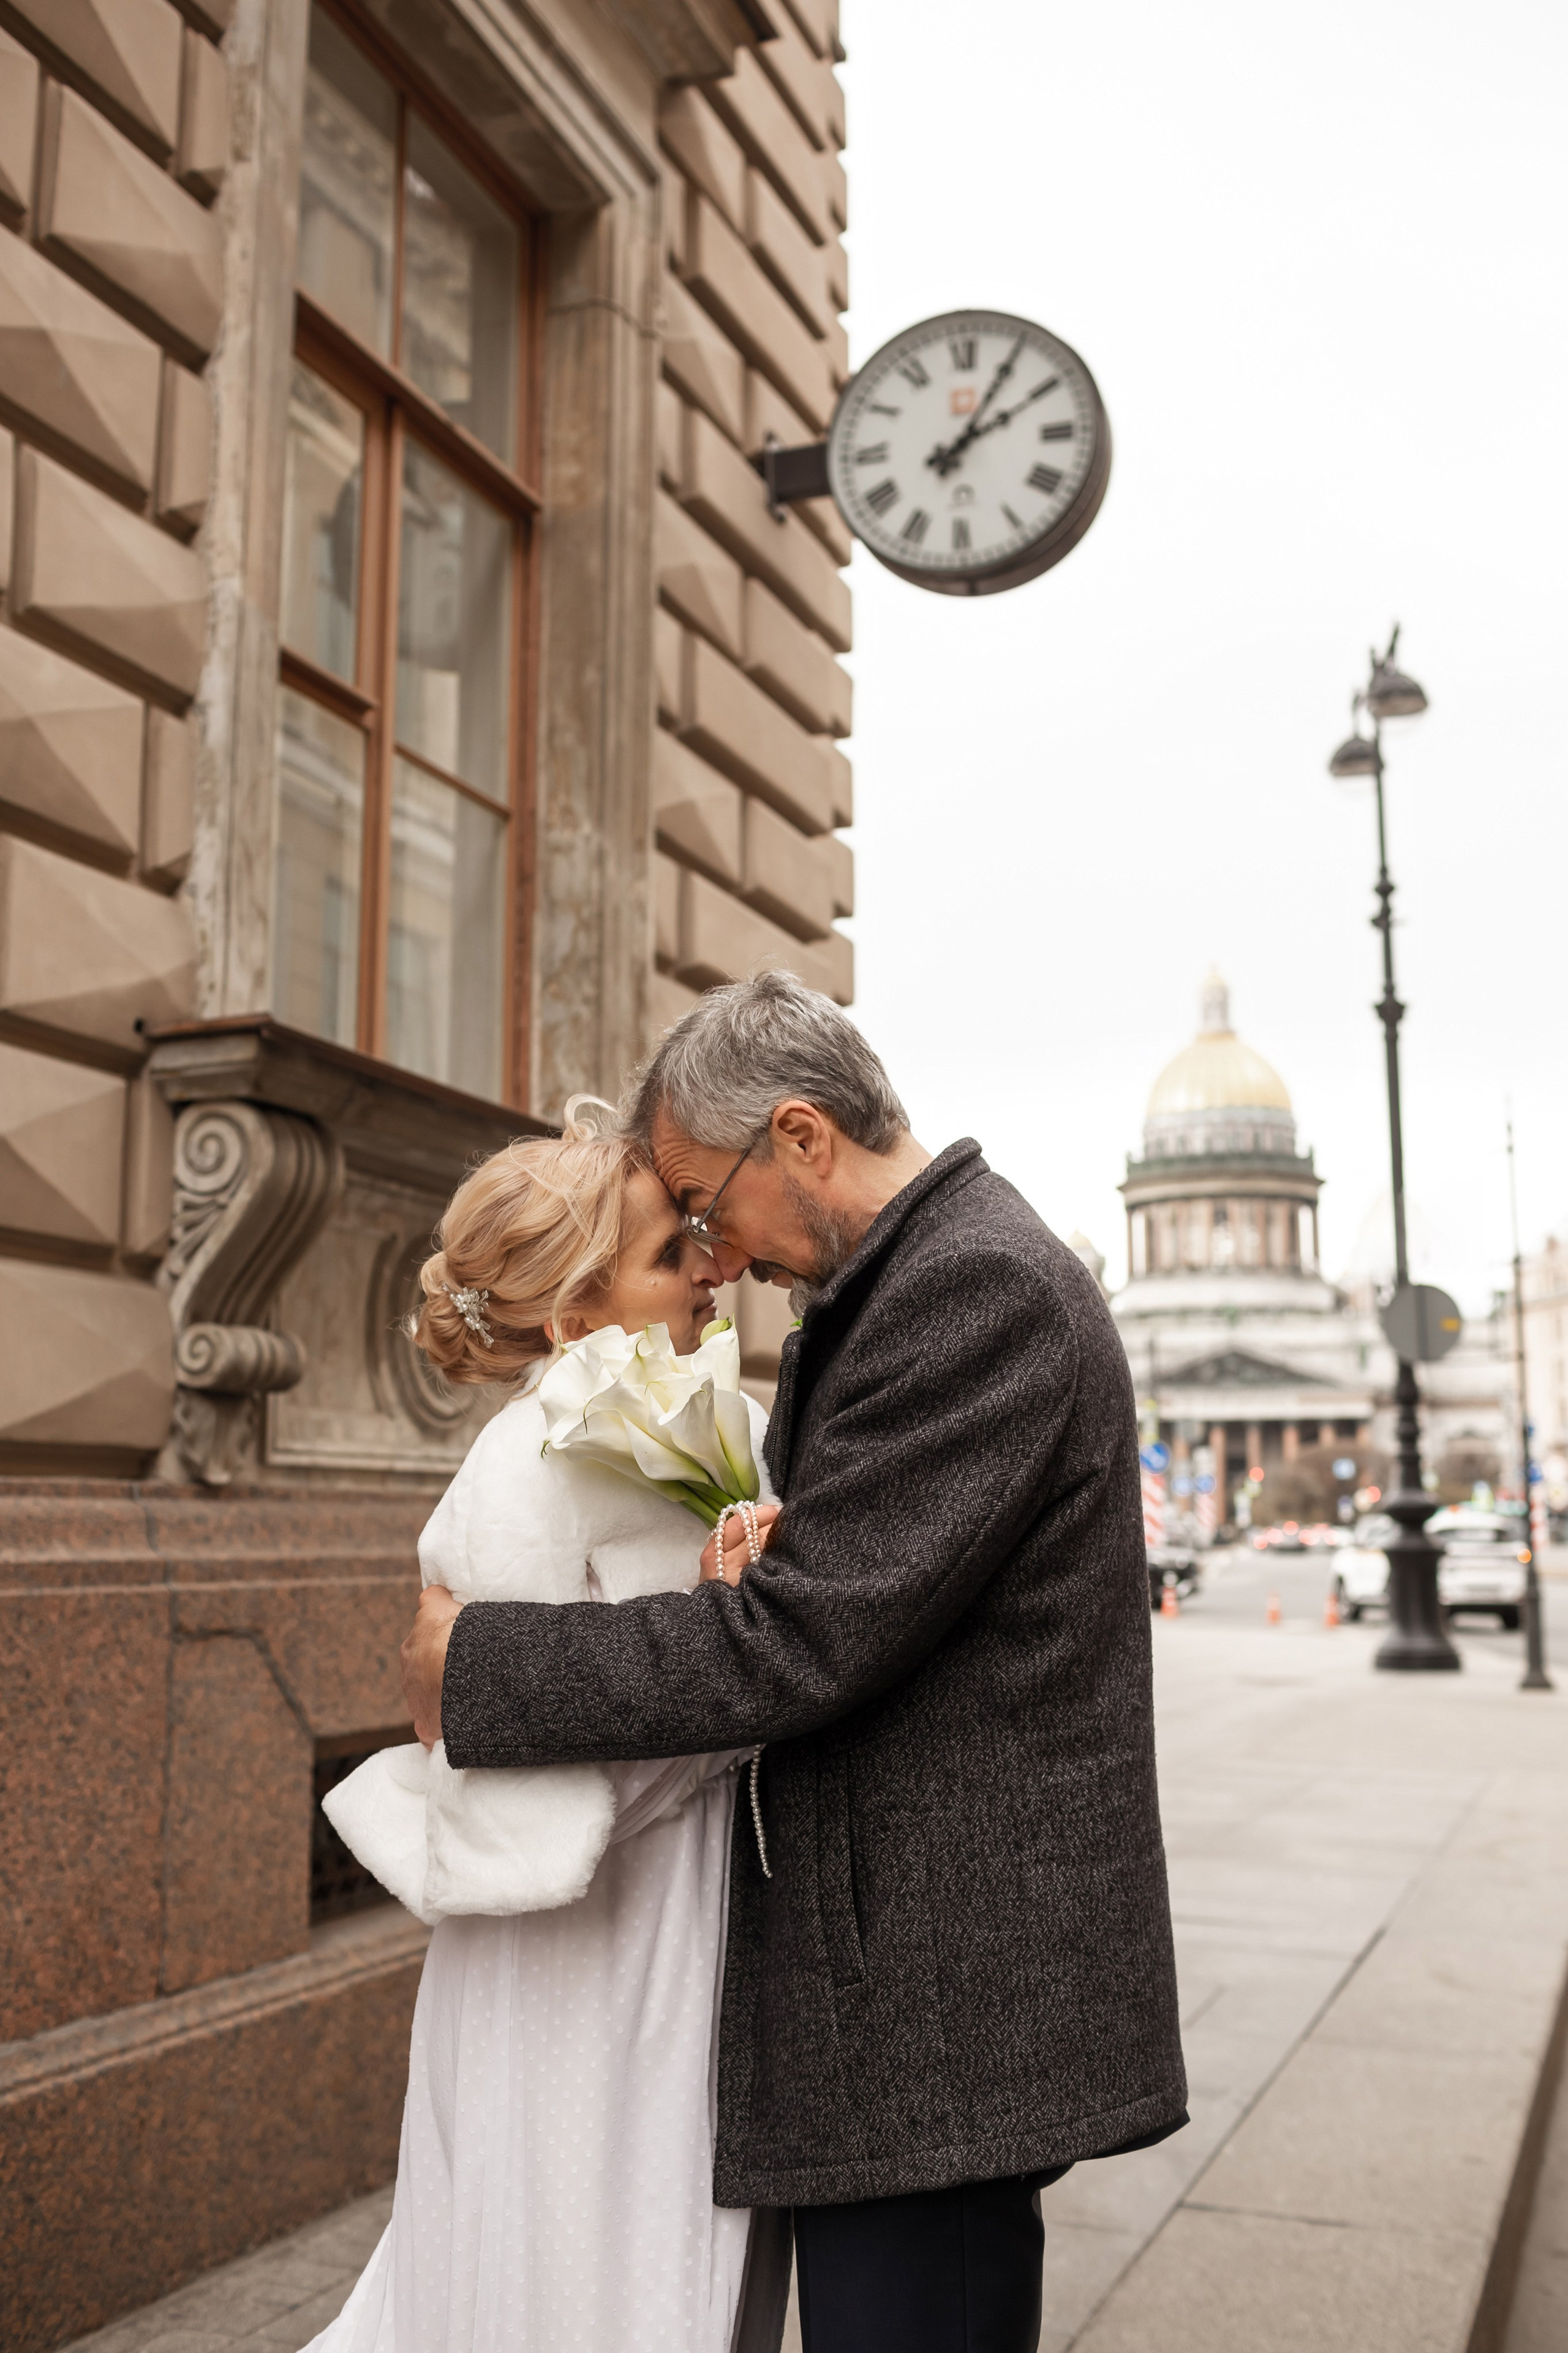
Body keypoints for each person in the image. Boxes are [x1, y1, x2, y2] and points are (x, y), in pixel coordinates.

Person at [402, 974, 1188, 2353]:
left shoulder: (975, 1289)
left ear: (803, 1138)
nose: (717, 1257)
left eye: (705, 1208)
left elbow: (797, 1641)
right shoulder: (905, 1285)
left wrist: (474, 1666)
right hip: (903, 2003)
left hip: (939, 2015)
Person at [305, 1111, 778, 2353]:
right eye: (669, 1254)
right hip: (577, 1963)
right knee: (586, 2284)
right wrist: (738, 1656)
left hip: (674, 1930)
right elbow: (521, 1796)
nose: (709, 1268)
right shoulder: (521, 1470)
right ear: (575, 1320)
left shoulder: (694, 1430)